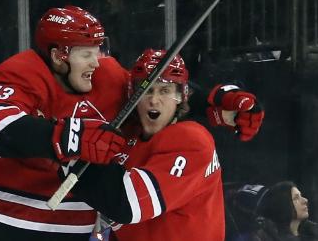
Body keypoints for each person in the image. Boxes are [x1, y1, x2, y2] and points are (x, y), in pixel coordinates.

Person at [0, 6, 264, 241]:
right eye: (87, 53)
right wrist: (70, 140)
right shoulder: (21, 73)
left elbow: (149, 90)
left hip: (68, 229)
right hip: (2, 225)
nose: (97, 61)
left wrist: (216, 101)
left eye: (99, 51)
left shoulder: (109, 75)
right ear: (59, 56)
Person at [69, 49, 226, 241]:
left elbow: (126, 204)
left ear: (181, 97)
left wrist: (70, 154)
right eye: (147, 90)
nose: (154, 100)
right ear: (133, 97)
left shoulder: (193, 140)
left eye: (165, 91)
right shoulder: (128, 137)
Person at [252, 181, 318, 241]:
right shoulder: (264, 238)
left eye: (301, 196)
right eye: (296, 198)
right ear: (284, 205)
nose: (305, 200)